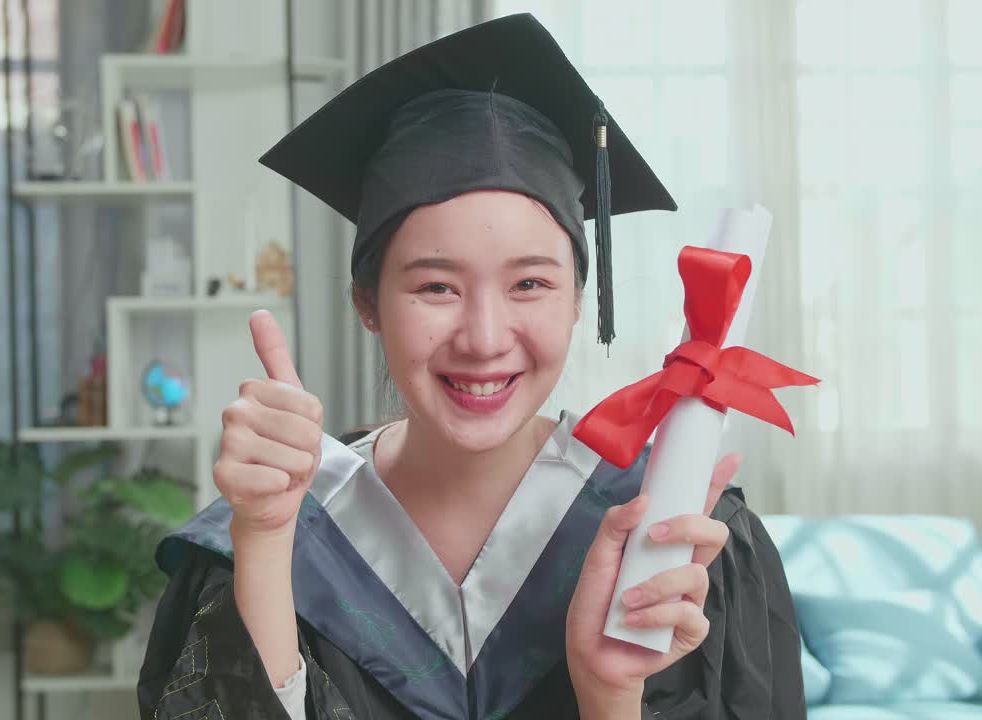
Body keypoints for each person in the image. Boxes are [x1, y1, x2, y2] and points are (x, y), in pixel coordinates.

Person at [138, 13, 805, 720]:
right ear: (367, 302)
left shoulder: (675, 539)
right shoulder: (271, 527)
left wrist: (609, 695)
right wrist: (267, 546)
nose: (485, 339)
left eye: (529, 284)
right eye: (436, 287)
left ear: (581, 299)